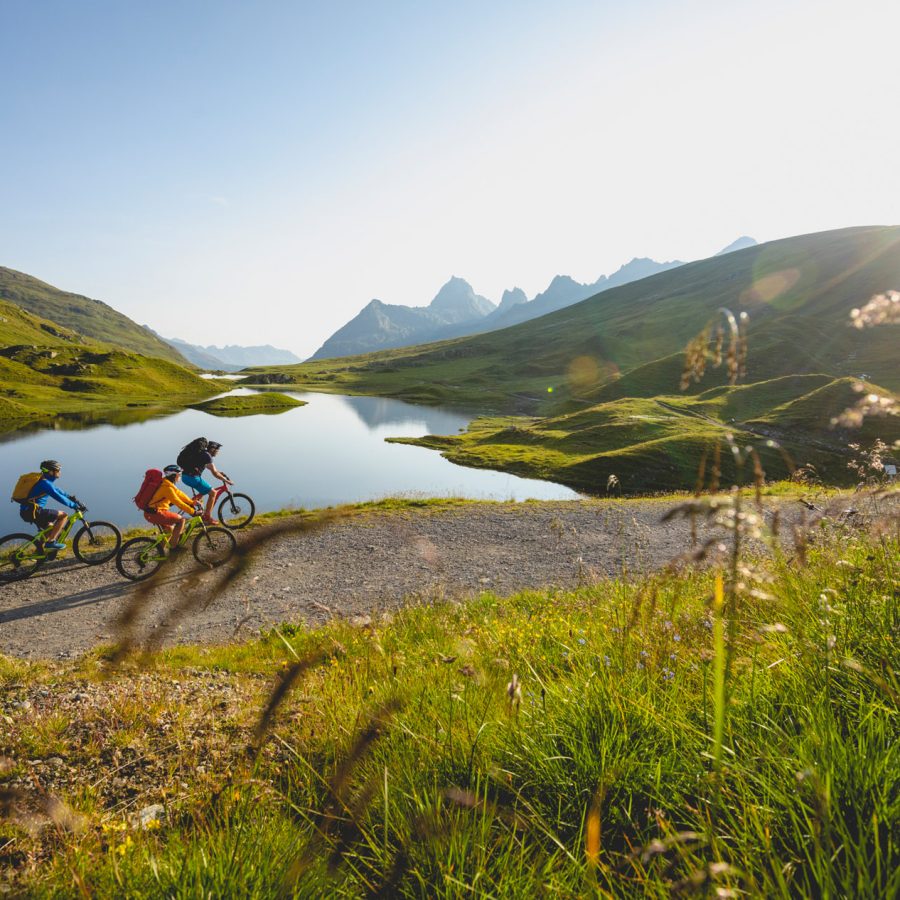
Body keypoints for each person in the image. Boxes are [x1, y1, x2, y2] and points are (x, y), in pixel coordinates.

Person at [18, 460, 83, 551]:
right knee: (63, 516)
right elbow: (57, 496)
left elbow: (58, 491)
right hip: (34, 511)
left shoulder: (43, 480)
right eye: (58, 470)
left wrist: (69, 497)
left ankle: (39, 552)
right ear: (51, 472)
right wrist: (73, 505)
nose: (60, 472)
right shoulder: (45, 484)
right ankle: (51, 542)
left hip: (27, 511)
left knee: (49, 527)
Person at [144, 464, 200, 550]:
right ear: (174, 475)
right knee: (181, 520)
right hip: (156, 513)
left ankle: (160, 552)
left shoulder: (167, 483)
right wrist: (193, 512)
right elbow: (178, 503)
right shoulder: (167, 488)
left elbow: (179, 494)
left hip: (152, 512)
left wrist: (192, 502)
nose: (180, 477)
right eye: (179, 474)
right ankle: (174, 547)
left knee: (169, 529)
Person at [179, 438, 232, 525]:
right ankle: (207, 518)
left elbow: (211, 468)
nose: (218, 452)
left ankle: (192, 506)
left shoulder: (203, 454)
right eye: (217, 450)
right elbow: (214, 473)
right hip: (192, 478)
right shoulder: (207, 456)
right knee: (212, 493)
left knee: (203, 493)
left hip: (186, 477)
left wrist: (219, 473)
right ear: (212, 449)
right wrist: (226, 480)